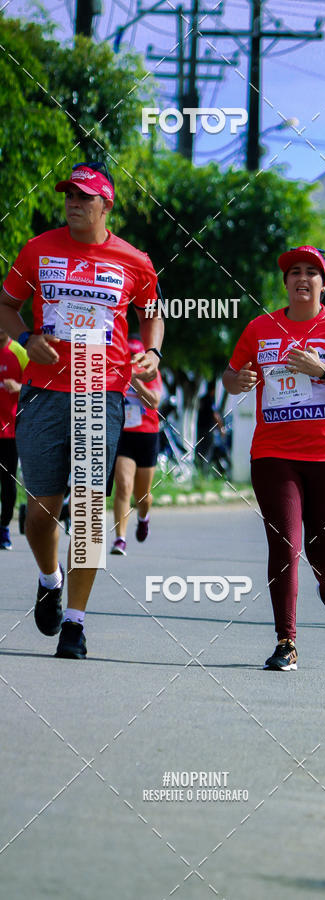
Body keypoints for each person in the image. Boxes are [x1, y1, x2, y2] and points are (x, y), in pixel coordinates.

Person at [0, 161, 163, 659]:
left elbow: (151, 316)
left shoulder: (133, 260)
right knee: (41, 511)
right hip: (44, 391)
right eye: (69, 195)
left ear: (105, 205)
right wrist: (27, 336)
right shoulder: (37, 249)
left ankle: (75, 622)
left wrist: (152, 353)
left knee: (90, 512)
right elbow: (5, 307)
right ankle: (50, 580)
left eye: (84, 196)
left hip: (102, 390)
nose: (74, 202)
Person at [223, 246, 325, 671]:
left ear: (323, 283)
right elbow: (230, 375)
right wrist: (238, 379)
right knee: (285, 545)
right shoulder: (260, 327)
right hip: (274, 454)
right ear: (286, 282)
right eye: (294, 272)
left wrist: (323, 371)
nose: (302, 278)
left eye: (312, 272)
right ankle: (285, 641)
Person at [111, 336, 163, 555]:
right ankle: (120, 539)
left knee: (143, 496)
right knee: (123, 485)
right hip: (123, 435)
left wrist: (135, 381)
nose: (132, 361)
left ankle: (143, 517)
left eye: (136, 357)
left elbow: (154, 401)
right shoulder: (115, 370)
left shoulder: (150, 372)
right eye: (128, 357)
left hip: (146, 435)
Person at [0, 329, 28, 549]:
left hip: (11, 430)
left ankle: (4, 527)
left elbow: (36, 386)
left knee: (7, 482)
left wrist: (19, 387)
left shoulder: (19, 351)